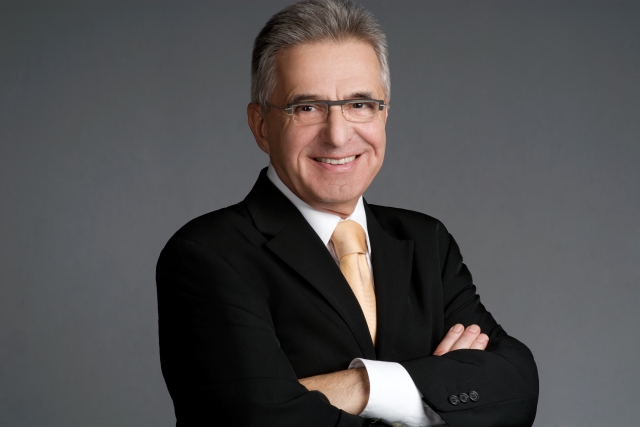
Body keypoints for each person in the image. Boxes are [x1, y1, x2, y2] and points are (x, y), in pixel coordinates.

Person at [155, 1, 539, 426]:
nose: (337, 136)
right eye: (307, 107)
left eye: (360, 104)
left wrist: (364, 385)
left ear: (384, 114)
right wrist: (435, 392)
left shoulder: (427, 242)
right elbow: (255, 420)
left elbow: (517, 387)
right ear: (261, 125)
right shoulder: (209, 256)